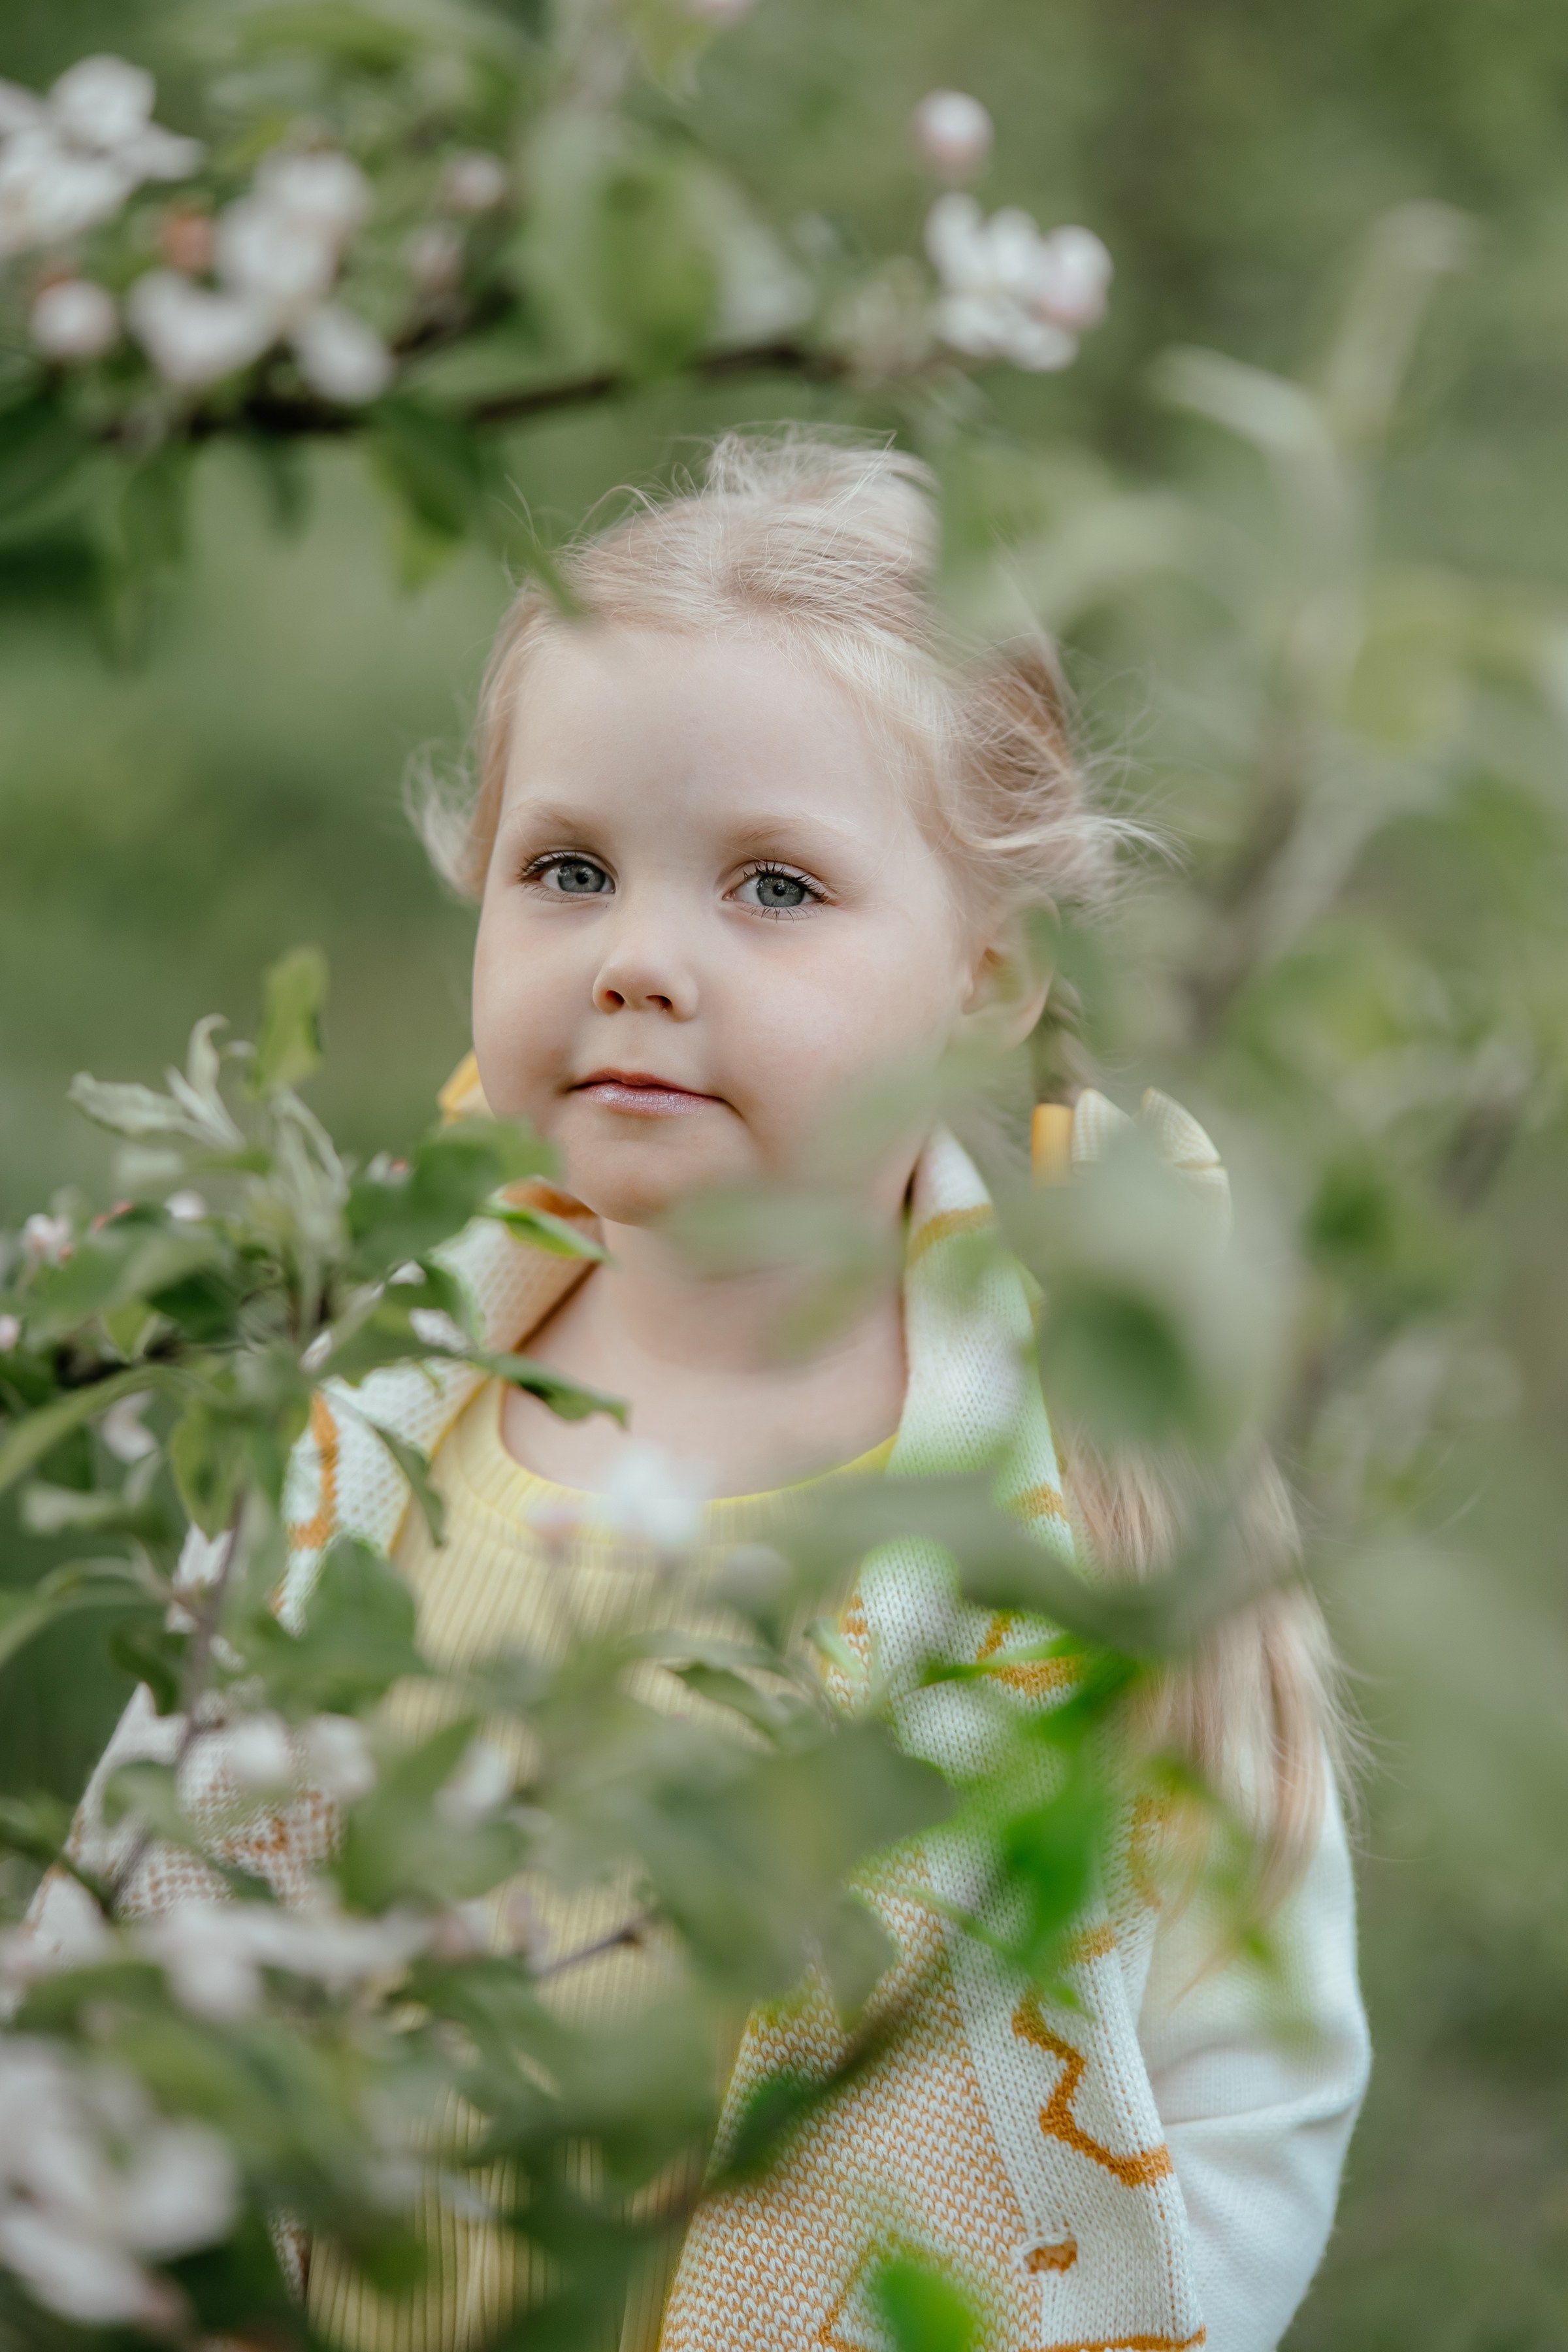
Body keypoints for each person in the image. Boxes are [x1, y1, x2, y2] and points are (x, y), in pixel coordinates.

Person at [46, 432, 1371, 2352]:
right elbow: (139, 1901)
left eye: (772, 885)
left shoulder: (1081, 1497)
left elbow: (1251, 2089)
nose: (641, 959)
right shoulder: (373, 1419)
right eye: (568, 870)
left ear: (986, 976)